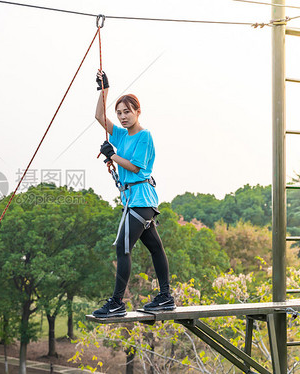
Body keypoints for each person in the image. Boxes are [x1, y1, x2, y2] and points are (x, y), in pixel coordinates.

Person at [92, 70, 175, 318]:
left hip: (140, 201)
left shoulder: (144, 136)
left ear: (138, 111)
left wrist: (112, 155)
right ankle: (166, 297)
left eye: (127, 111)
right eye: (119, 113)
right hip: (136, 201)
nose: (122, 117)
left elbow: (136, 167)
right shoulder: (121, 135)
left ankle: (117, 302)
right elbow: (98, 116)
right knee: (156, 249)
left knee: (122, 247)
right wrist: (104, 89)